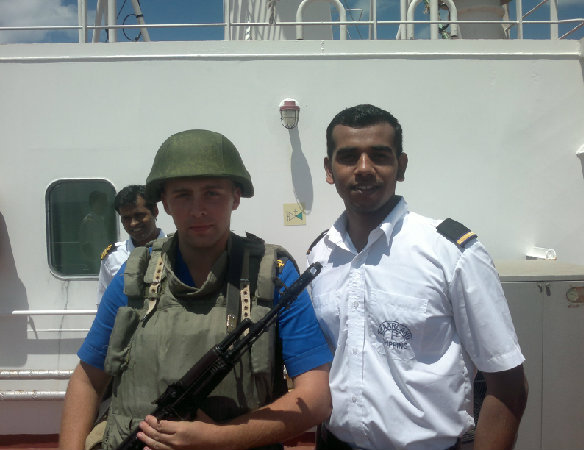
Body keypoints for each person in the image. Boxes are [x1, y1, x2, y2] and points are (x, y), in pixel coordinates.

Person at [59, 129, 332, 450]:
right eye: (183, 195)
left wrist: (219, 438)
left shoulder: (272, 275)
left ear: (235, 197)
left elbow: (315, 397)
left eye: (212, 193)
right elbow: (88, 379)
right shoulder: (135, 275)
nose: (198, 209)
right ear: (165, 203)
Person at [307, 104, 528, 450]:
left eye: (379, 156)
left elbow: (508, 385)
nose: (363, 168)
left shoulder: (451, 252)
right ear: (329, 170)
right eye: (348, 157)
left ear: (402, 166)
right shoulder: (321, 256)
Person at [97, 185, 165, 306]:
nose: (133, 223)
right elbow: (105, 304)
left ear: (155, 211)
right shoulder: (113, 257)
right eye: (126, 218)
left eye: (139, 215)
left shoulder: (178, 250)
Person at [79, 190, 110, 273]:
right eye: (102, 202)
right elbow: (86, 246)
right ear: (94, 203)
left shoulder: (100, 221)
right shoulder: (89, 222)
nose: (105, 205)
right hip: (95, 264)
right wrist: (94, 263)